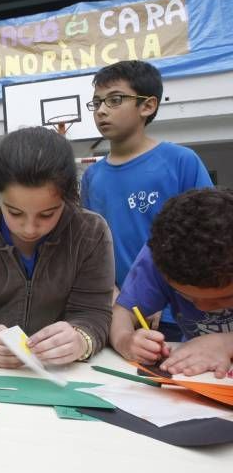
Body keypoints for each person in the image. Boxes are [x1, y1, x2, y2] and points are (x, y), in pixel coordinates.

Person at [0, 127, 114, 367]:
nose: (29, 228)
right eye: (14, 212)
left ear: (68, 197)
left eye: (47, 214)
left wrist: (81, 339)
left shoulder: (91, 233)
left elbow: (94, 313)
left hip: (66, 372)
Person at [81, 60, 213, 340]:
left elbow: (206, 235)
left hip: (178, 312)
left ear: (147, 106)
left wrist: (152, 295)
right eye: (97, 102)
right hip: (119, 314)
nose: (102, 110)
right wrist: (120, 299)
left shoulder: (180, 161)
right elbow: (91, 249)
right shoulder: (92, 177)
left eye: (114, 100)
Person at [111, 189, 233, 378]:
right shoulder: (160, 257)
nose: (203, 306)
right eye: (185, 295)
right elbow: (122, 313)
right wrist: (125, 340)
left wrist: (226, 343)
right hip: (197, 376)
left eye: (225, 297)